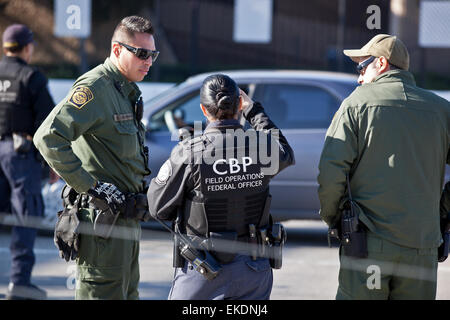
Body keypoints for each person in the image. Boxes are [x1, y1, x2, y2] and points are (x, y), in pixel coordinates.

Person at [33, 16, 158, 300]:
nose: (148, 60)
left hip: (126, 222)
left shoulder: (124, 90)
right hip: (103, 226)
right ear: (117, 50)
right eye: (140, 53)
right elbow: (47, 138)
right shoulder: (96, 87)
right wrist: (90, 185)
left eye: (152, 54)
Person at [317, 34, 450, 300]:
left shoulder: (355, 105)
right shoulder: (441, 110)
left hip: (368, 242)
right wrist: (442, 214)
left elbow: (331, 172)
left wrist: (335, 218)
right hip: (422, 243)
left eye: (361, 67)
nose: (359, 76)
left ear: (381, 63)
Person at [147, 74, 295, 300]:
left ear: (203, 110)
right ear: (239, 105)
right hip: (253, 269)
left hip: (203, 270)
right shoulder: (262, 147)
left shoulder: (190, 152)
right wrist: (253, 110)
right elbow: (284, 150)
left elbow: (157, 208)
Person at [0, 24, 55, 300]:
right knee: (26, 217)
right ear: (27, 47)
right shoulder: (31, 77)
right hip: (20, 155)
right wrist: (54, 163)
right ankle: (19, 283)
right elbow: (48, 126)